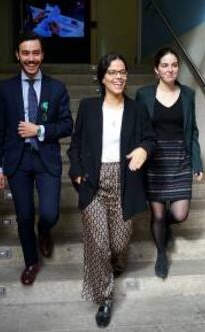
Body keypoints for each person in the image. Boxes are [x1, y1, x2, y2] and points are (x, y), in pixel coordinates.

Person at [67, 53, 155, 328]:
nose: (119, 77)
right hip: (93, 180)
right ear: (103, 77)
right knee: (98, 243)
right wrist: (78, 172)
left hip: (125, 179)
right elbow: (75, 145)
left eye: (123, 72)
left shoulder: (137, 109)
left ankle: (115, 265)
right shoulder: (88, 107)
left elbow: (150, 138)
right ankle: (104, 297)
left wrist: (143, 148)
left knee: (118, 243)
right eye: (113, 72)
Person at [0, 31, 73, 286]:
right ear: (17, 55)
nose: (31, 58)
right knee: (24, 216)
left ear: (42, 55)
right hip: (18, 160)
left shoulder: (57, 88)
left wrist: (40, 130)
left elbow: (67, 125)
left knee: (49, 213)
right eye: (25, 53)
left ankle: (45, 231)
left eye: (35, 53)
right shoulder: (6, 88)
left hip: (46, 158)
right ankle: (31, 262)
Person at [136, 46, 204, 279]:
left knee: (180, 214)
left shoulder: (188, 95)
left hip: (180, 160)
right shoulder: (144, 94)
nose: (170, 69)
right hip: (154, 160)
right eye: (165, 65)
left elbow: (192, 131)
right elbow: (139, 130)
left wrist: (197, 162)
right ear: (156, 69)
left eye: (174, 65)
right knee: (158, 215)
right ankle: (162, 253)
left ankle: (165, 228)